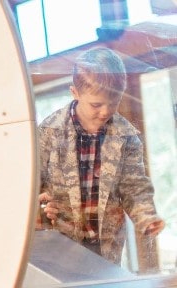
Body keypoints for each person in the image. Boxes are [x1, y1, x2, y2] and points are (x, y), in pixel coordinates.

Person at [37, 47, 165, 265]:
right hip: (60, 242)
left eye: (113, 103)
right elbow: (32, 183)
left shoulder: (126, 136)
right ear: (74, 93)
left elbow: (134, 186)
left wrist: (146, 217)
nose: (105, 111)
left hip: (106, 244)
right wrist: (37, 210)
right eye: (96, 104)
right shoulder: (49, 131)